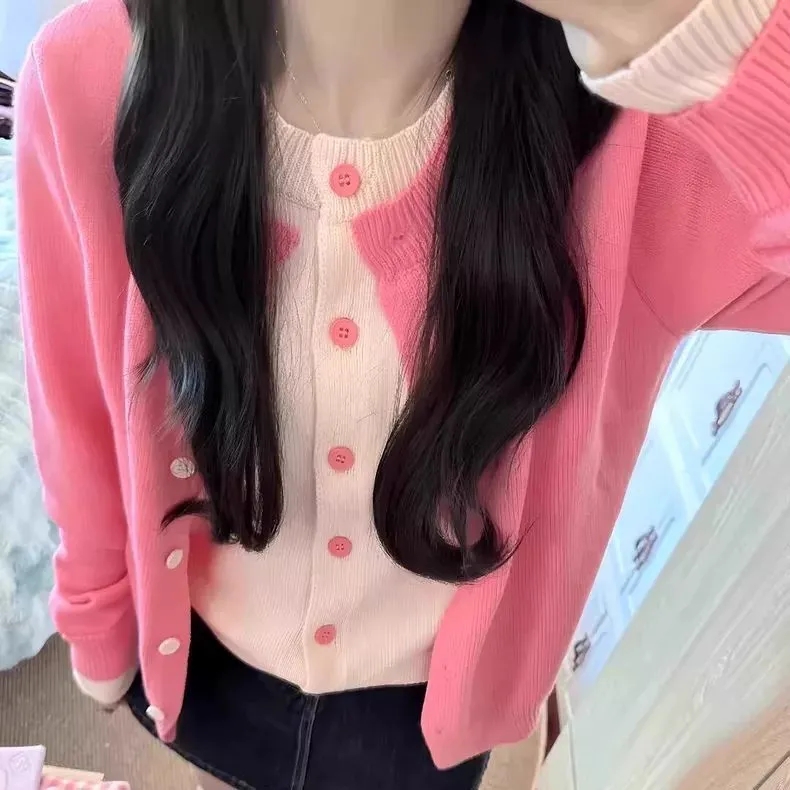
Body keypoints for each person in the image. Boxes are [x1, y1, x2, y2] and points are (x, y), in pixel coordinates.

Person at [14, 0, 790, 787]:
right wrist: (96, 615)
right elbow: (74, 409)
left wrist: (695, 27)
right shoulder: (89, 73)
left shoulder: (646, 145)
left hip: (420, 711)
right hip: (203, 662)